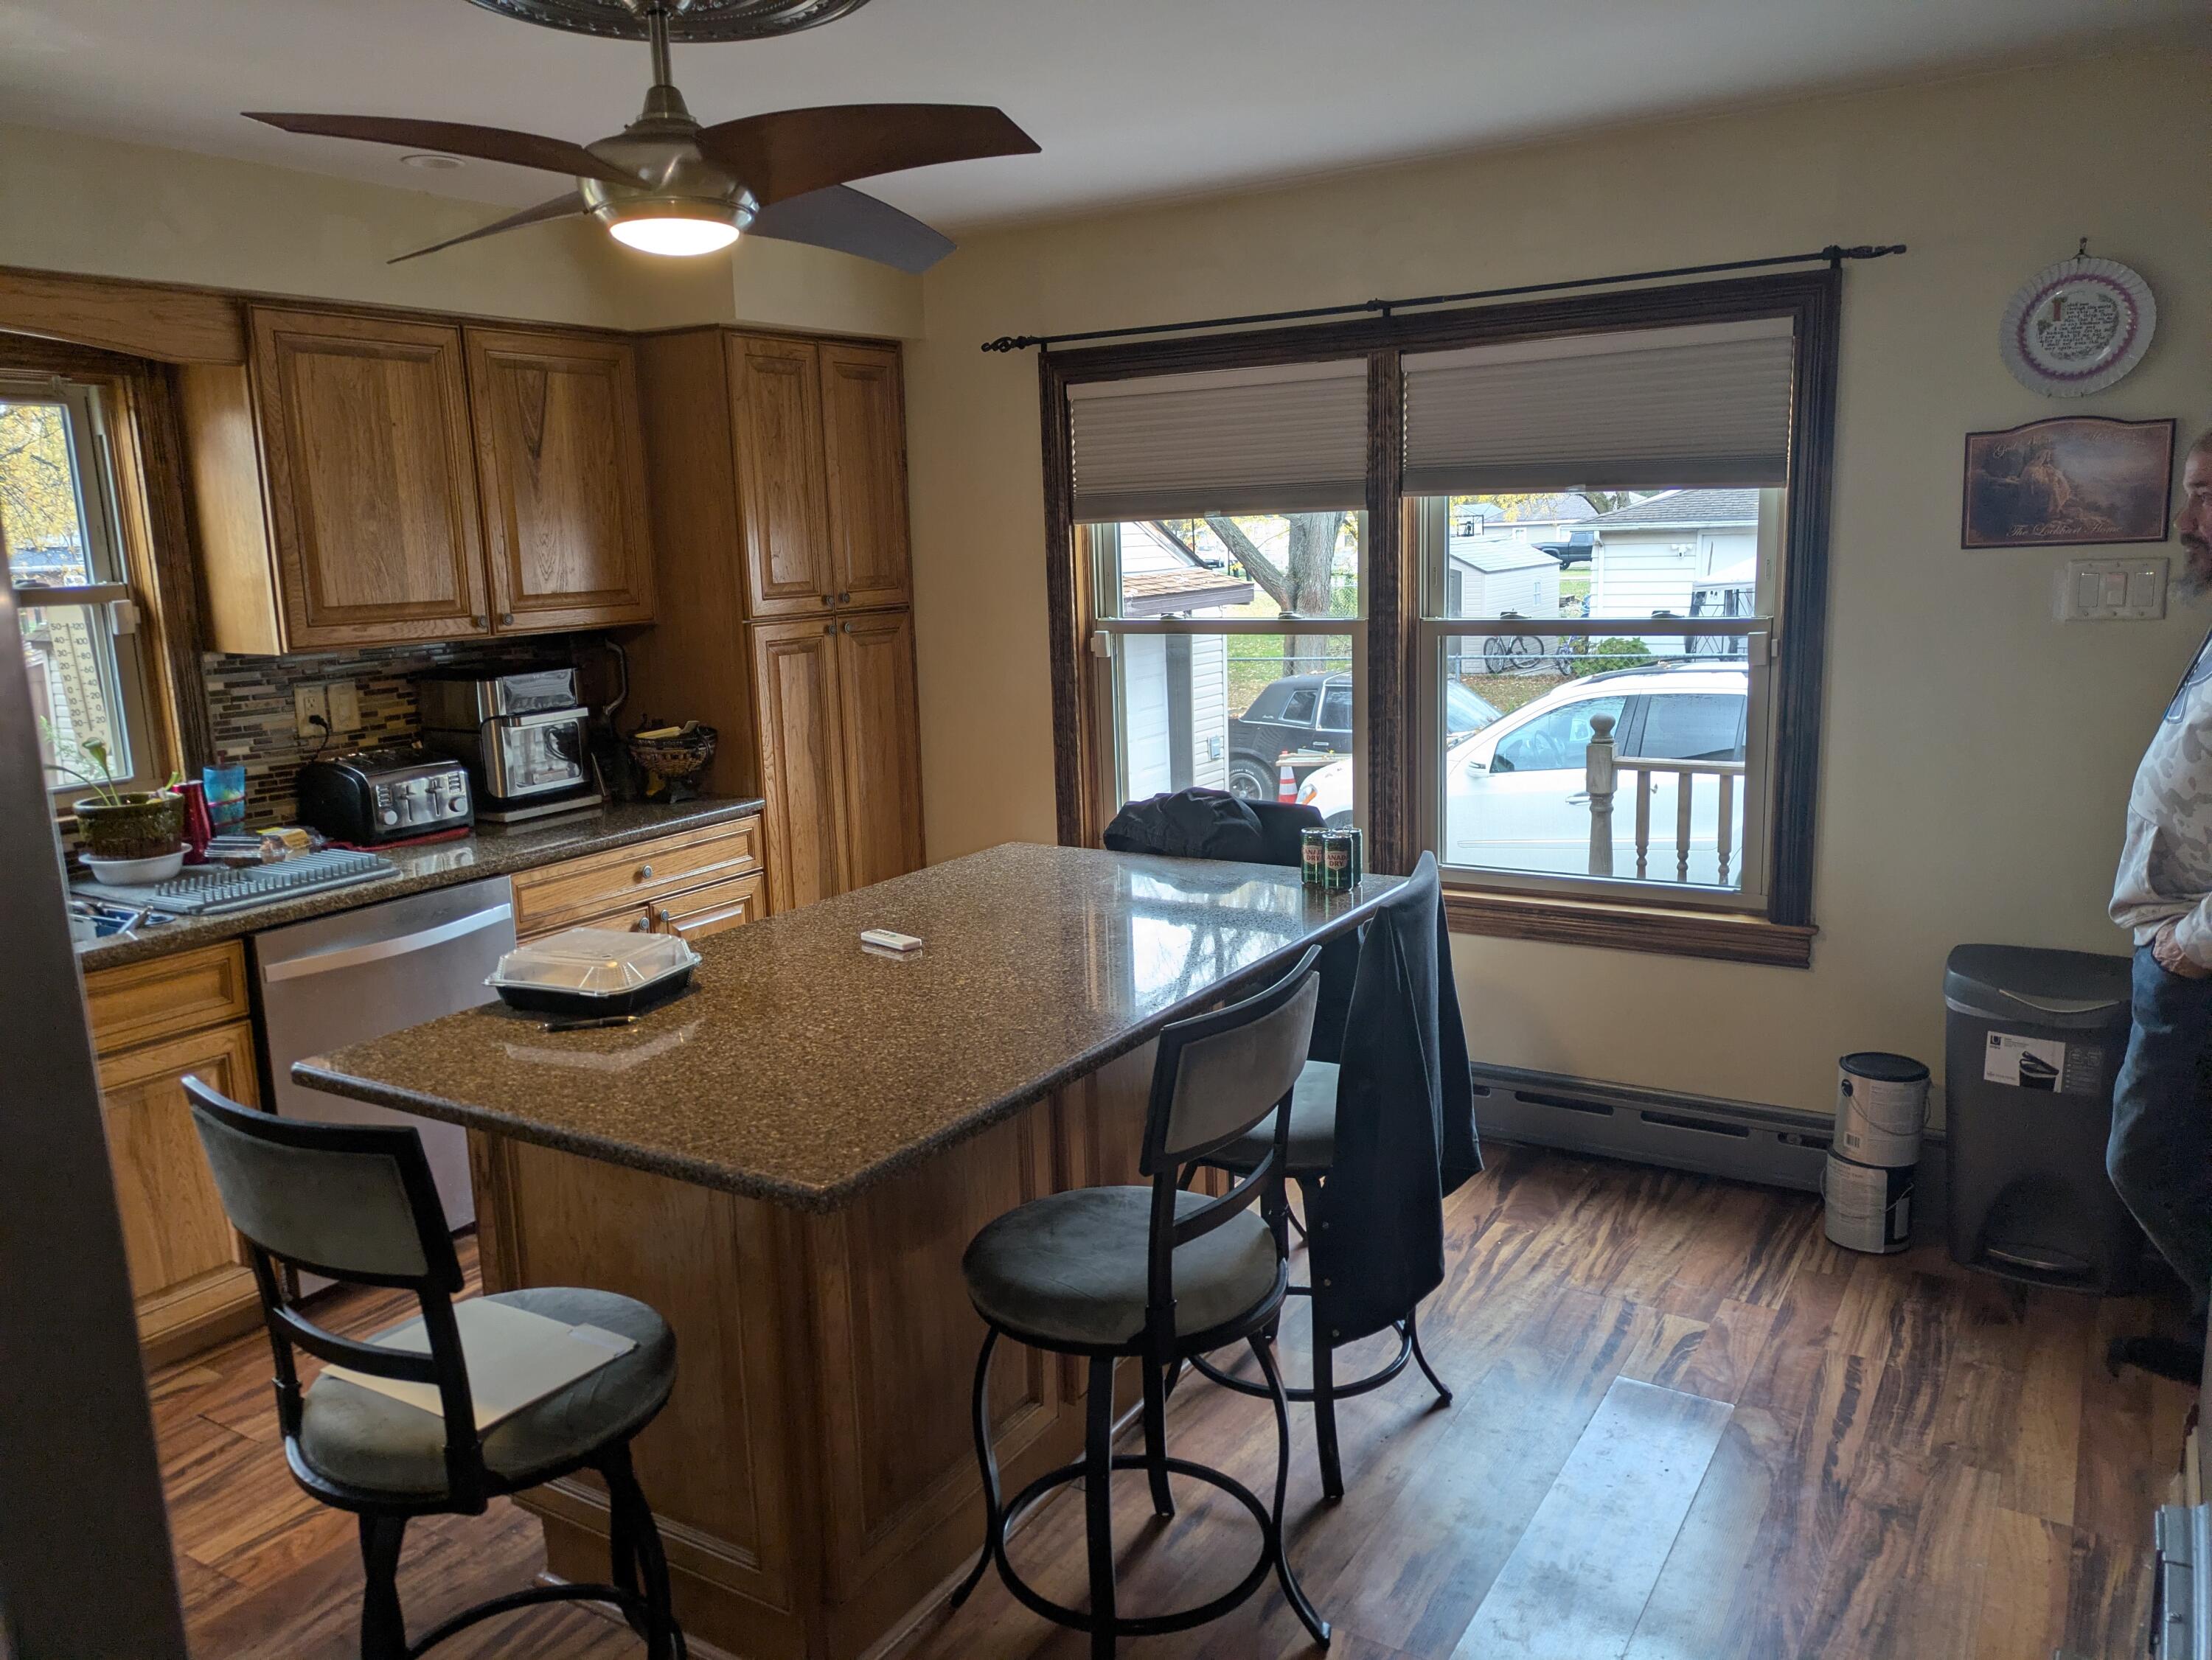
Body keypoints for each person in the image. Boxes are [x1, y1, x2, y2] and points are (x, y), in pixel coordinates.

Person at [2107, 425, 2212, 1381]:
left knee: (2143, 1157)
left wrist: (2196, 941)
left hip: (2194, 952)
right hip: (2169, 935)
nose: (2190, 517)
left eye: (2209, 494)